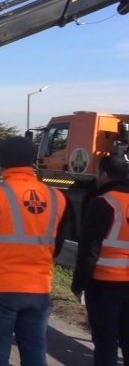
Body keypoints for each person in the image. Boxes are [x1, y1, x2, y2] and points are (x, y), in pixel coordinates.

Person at [0, 136, 72, 366]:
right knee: (35, 352)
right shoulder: (57, 197)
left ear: (1, 161)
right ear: (32, 160)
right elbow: (57, 243)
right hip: (38, 287)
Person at [71, 153, 129, 366]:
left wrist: (79, 283)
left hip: (105, 283)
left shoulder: (104, 202)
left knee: (106, 342)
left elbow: (89, 249)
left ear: (104, 174)